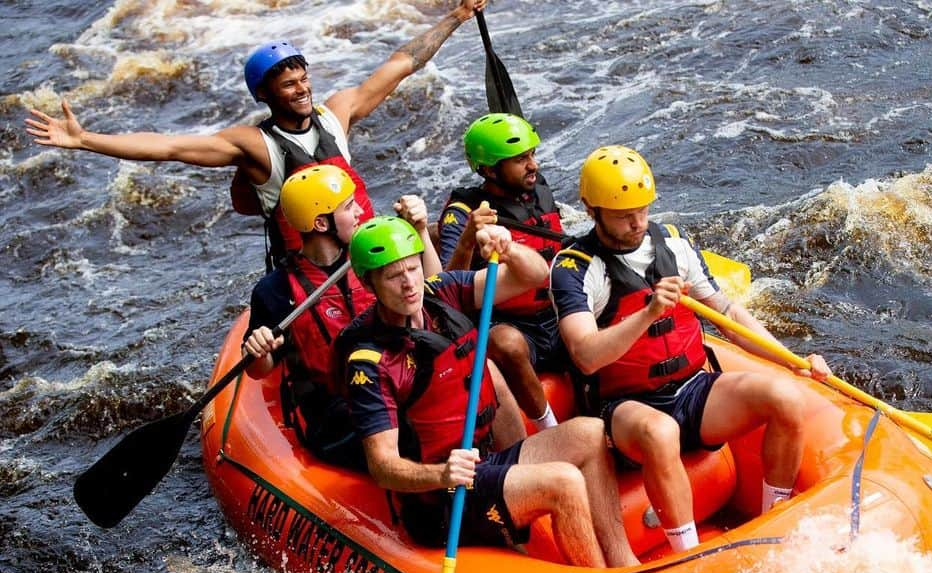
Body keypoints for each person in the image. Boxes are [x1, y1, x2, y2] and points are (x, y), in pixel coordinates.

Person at [23, 0, 487, 268]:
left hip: (369, 252)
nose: (302, 89)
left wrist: (457, 16)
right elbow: (168, 147)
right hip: (311, 269)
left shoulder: (337, 112)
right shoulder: (253, 144)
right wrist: (87, 140)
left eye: (304, 78)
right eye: (289, 84)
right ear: (266, 95)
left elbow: (401, 64)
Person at [550, 145, 832, 552]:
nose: (636, 223)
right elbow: (586, 355)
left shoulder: (675, 246)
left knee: (785, 397)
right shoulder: (574, 269)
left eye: (643, 210)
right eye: (623, 214)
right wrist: (648, 312)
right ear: (591, 210)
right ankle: (689, 552)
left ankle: (775, 524)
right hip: (626, 408)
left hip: (693, 391)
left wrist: (792, 361)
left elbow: (729, 316)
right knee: (660, 432)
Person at [338, 216, 637, 568]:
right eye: (393, 276)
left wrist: (508, 250)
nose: (409, 284)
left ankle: (624, 564)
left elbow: (535, 275)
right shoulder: (369, 363)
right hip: (443, 496)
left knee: (591, 432)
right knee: (564, 480)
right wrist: (442, 475)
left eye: (413, 269)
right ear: (368, 284)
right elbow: (383, 466)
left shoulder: (442, 293)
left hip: (484, 462)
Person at [242, 164, 440, 466]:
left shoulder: (371, 256)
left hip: (396, 381)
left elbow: (436, 290)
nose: (360, 211)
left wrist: (420, 229)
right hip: (335, 415)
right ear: (322, 224)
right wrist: (257, 349)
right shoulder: (276, 290)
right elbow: (259, 370)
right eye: (348, 207)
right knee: (414, 436)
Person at [437, 113, 565, 431]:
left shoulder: (539, 193)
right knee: (507, 342)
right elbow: (445, 288)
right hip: (507, 322)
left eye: (532, 155)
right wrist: (468, 238)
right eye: (520, 160)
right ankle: (551, 429)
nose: (533, 165)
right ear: (490, 170)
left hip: (557, 312)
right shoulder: (464, 212)